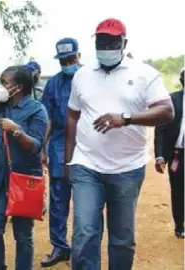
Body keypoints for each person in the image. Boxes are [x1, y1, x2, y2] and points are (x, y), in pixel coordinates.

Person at [65, 19, 174, 270]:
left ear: (124, 43)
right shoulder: (82, 75)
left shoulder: (144, 74)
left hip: (127, 169)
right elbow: (72, 115)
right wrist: (68, 159)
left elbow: (166, 111)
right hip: (87, 165)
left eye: (112, 41)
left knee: (122, 238)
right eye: (101, 41)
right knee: (84, 232)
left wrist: (125, 118)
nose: (106, 46)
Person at [0, 65, 48, 270]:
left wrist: (17, 131)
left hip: (23, 182)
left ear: (19, 87)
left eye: (5, 83)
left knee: (23, 236)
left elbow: (36, 147)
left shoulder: (36, 110)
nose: (0, 87)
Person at [39, 37, 80, 267]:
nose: (67, 64)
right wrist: (43, 149)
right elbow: (47, 119)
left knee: (86, 204)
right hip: (57, 149)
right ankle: (60, 247)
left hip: (86, 152)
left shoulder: (89, 80)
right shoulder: (53, 84)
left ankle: (82, 250)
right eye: (63, 60)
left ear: (78, 57)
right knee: (57, 202)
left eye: (70, 59)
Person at [154, 68, 184, 238]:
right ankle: (180, 224)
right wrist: (160, 155)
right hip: (178, 155)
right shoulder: (172, 100)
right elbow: (160, 129)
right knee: (179, 190)